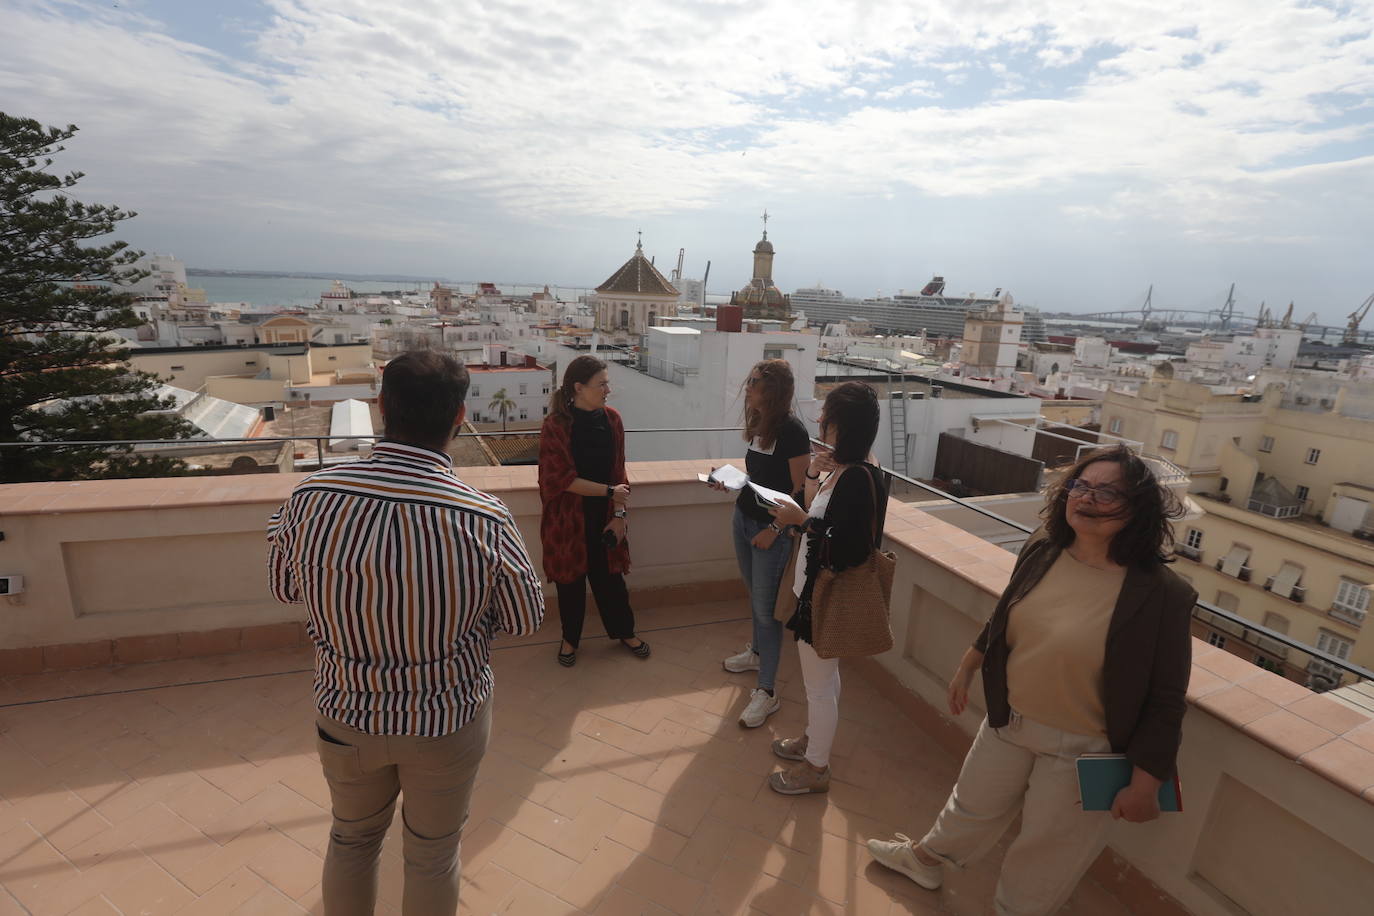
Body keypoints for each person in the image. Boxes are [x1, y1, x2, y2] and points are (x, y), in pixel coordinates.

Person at [267, 350, 545, 916]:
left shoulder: (310, 497)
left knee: (351, 839)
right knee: (432, 854)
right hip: (445, 719)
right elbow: (524, 618)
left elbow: (284, 587)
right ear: (461, 415)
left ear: (380, 406)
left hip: (345, 713)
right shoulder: (483, 518)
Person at [866, 445, 1195, 916]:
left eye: (1108, 492)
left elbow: (1167, 697)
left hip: (1085, 747)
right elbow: (1007, 614)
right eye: (1081, 486)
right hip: (1009, 719)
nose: (1088, 498)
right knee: (971, 805)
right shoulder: (1044, 547)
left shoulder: (1163, 594)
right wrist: (970, 662)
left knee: (1046, 851)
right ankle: (926, 860)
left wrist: (1147, 779)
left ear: (1138, 508)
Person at [764, 381, 887, 795]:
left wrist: (802, 522)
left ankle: (816, 768)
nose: (820, 420)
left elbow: (849, 546)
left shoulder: (858, 477)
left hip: (825, 596)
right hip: (812, 590)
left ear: (844, 425)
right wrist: (816, 472)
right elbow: (819, 508)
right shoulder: (846, 470)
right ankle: (813, 743)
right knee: (824, 681)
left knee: (818, 687)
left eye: (828, 416)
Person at [712, 359, 811, 727]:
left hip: (769, 529)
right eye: (750, 381)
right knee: (755, 599)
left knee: (767, 612)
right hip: (743, 519)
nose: (747, 388)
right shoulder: (759, 425)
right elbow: (760, 478)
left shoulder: (792, 432)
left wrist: (777, 530)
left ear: (773, 390)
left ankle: (767, 692)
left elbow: (801, 491)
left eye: (754, 383)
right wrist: (731, 482)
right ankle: (756, 654)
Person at [538, 355, 649, 666]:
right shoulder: (557, 425)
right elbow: (558, 479)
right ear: (578, 388)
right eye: (601, 384)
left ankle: (625, 632)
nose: (607, 390)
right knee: (570, 584)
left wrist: (618, 515)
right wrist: (609, 492)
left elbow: (619, 471)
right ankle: (569, 639)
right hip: (567, 520)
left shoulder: (612, 420)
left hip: (604, 517)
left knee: (611, 581)